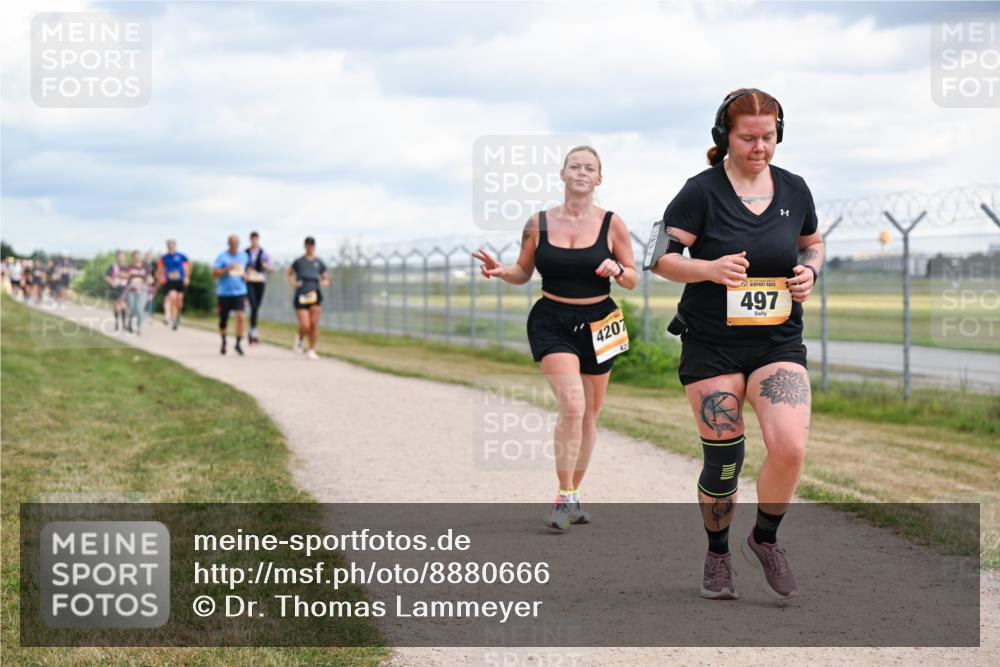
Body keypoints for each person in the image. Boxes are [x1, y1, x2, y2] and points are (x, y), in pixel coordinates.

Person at [651, 88, 824, 601]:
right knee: (725, 460)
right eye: (748, 137)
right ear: (723, 136)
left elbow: (811, 243)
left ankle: (764, 539)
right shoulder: (700, 191)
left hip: (777, 342)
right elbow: (660, 257)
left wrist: (809, 273)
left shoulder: (795, 190)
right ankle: (718, 553)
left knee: (790, 447)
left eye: (768, 137)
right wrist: (707, 268)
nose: (759, 147)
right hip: (712, 345)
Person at [472, 146, 637, 530]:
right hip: (552, 319)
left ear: (599, 179)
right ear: (562, 175)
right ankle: (563, 495)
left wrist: (617, 269)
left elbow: (631, 277)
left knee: (592, 414)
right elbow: (522, 272)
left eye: (590, 168)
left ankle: (574, 494)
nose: (582, 172)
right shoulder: (538, 222)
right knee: (574, 407)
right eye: (574, 166)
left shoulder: (613, 224)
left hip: (601, 320)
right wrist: (502, 271)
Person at [286, 236, 329, 360]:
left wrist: (325, 282)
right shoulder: (299, 261)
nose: (310, 247)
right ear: (305, 246)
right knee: (305, 325)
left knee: (314, 324)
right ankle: (299, 338)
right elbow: (289, 274)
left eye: (312, 245)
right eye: (308, 245)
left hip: (315, 295)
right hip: (302, 295)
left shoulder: (319, 262)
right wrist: (294, 283)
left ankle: (312, 349)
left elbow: (325, 277)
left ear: (314, 246)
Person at [212, 234, 250, 355]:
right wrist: (226, 269)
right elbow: (214, 273)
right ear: (228, 244)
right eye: (232, 243)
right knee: (224, 319)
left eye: (237, 244)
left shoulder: (244, 256)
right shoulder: (222, 257)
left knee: (241, 317)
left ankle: (238, 343)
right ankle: (224, 341)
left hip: (240, 292)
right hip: (224, 293)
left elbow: (248, 269)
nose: (235, 246)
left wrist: (246, 275)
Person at [245, 231, 273, 344]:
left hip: (260, 281)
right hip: (249, 281)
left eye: (256, 239)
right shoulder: (245, 253)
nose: (254, 241)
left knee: (256, 307)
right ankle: (253, 332)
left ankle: (252, 331)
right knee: (253, 306)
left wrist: (265, 266)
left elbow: (271, 268)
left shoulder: (264, 253)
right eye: (252, 239)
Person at [158, 240, 190, 330]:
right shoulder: (164, 257)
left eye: (172, 245)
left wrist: (187, 277)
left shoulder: (182, 256)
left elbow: (187, 266)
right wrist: (161, 277)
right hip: (170, 281)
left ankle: (177, 317)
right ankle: (172, 318)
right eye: (169, 246)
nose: (171, 247)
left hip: (180, 280)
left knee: (179, 300)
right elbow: (160, 269)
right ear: (167, 246)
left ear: (175, 246)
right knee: (172, 297)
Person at [124, 250, 151, 335]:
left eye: (138, 256)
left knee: (139, 309)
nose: (137, 258)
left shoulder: (145, 267)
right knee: (132, 309)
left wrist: (144, 284)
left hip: (142, 291)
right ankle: (130, 324)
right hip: (131, 291)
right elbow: (125, 275)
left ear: (141, 257)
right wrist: (125, 276)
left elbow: (149, 279)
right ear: (133, 257)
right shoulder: (130, 267)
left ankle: (139, 328)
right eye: (135, 256)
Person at [104, 252, 129, 331]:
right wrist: (111, 282)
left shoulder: (127, 267)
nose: (121, 258)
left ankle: (124, 324)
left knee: (124, 305)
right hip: (115, 288)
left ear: (124, 258)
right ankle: (117, 323)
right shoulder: (113, 266)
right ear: (117, 258)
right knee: (116, 306)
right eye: (119, 257)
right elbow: (106, 276)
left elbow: (131, 276)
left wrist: (125, 275)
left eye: (122, 257)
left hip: (124, 288)